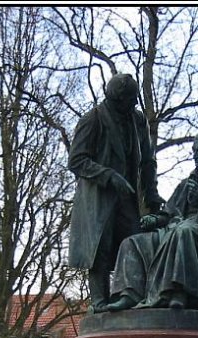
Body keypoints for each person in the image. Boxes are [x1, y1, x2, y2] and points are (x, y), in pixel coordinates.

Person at [105, 127, 198, 313]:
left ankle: (178, 291)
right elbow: (171, 211)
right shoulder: (188, 181)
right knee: (132, 242)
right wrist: (155, 219)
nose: (195, 156)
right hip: (177, 228)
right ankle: (129, 294)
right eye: (193, 152)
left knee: (184, 232)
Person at [67, 73, 164, 313]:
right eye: (129, 101)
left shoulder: (137, 121)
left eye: (134, 101)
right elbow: (77, 160)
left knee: (135, 243)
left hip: (127, 199)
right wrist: (109, 176)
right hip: (98, 200)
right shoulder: (94, 120)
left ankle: (132, 297)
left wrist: (151, 193)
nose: (133, 105)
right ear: (117, 99)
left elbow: (148, 161)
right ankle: (99, 302)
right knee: (101, 247)